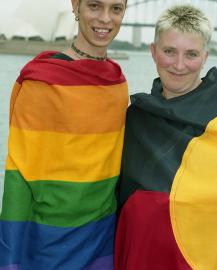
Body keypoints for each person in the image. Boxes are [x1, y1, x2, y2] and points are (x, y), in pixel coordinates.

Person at [114, 4, 217, 270]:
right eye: (169, 51)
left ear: (205, 57)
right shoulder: (137, 117)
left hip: (200, 260)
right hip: (142, 253)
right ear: (153, 52)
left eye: (191, 54)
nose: (179, 65)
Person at [0, 0, 128, 269]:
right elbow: (19, 175)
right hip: (48, 242)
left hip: (102, 239)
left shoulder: (117, 82)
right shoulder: (42, 81)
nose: (105, 19)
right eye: (95, 6)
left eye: (116, 9)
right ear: (76, 6)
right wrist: (10, 258)